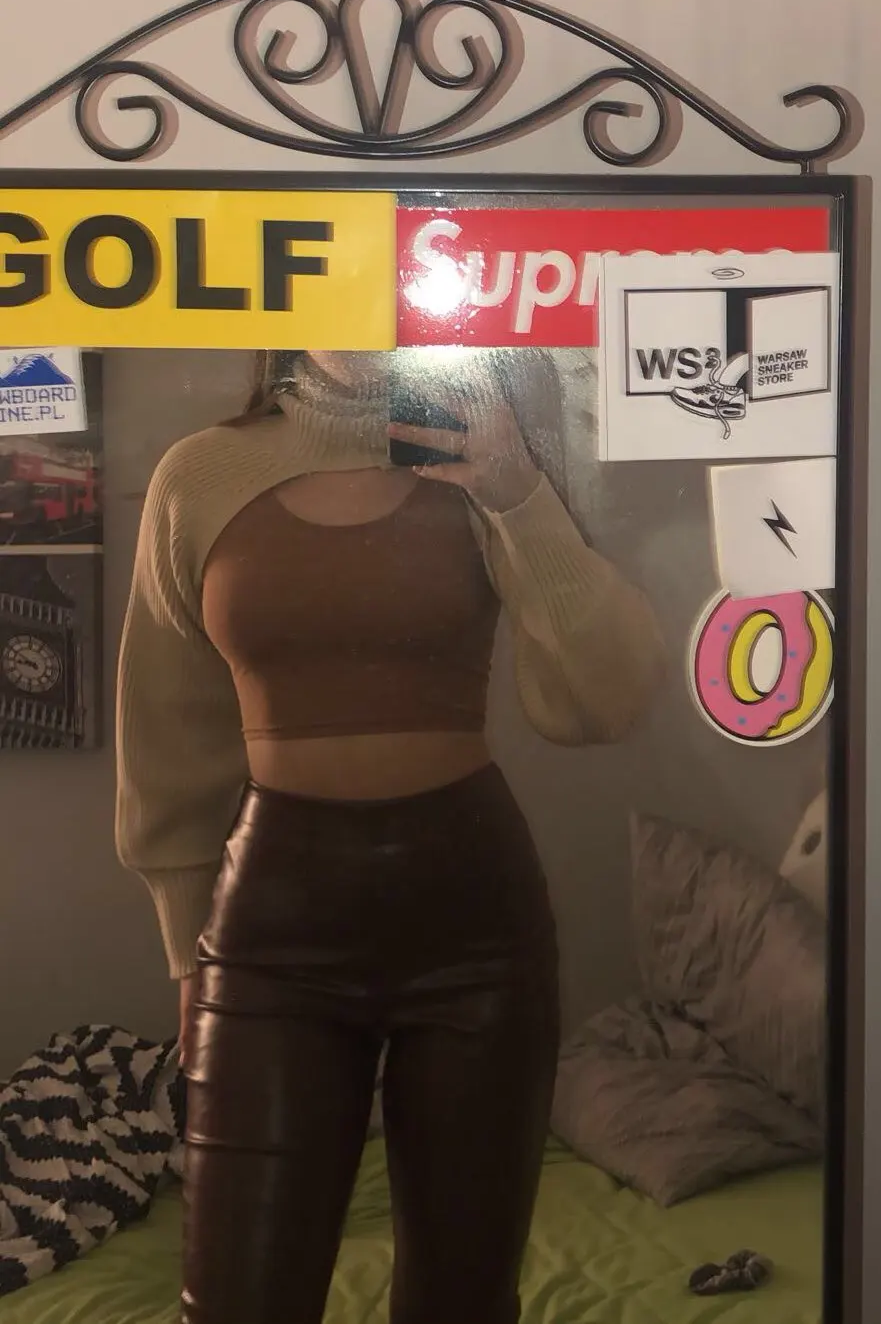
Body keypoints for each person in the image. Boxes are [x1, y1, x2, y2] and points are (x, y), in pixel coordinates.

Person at [115, 347, 665, 1324]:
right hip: (271, 927)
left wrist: (516, 492)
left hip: (473, 921)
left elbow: (604, 699)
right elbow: (168, 738)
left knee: (462, 1302)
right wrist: (183, 951)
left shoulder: (484, 447)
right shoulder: (201, 474)